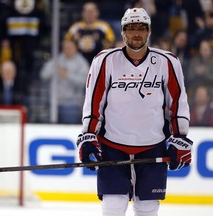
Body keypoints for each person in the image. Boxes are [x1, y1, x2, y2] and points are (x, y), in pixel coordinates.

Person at [76, 8, 193, 216]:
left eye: (141, 28)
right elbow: (94, 103)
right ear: (123, 32)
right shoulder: (105, 60)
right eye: (131, 28)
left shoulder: (168, 62)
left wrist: (180, 138)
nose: (136, 33)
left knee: (147, 210)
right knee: (113, 208)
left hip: (153, 148)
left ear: (149, 31)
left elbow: (178, 103)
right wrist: (88, 136)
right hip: (111, 147)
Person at [40, 40, 89, 124]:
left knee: (67, 128)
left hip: (71, 104)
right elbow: (43, 75)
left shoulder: (81, 63)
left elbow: (84, 82)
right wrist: (55, 70)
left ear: (76, 48)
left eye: (70, 48)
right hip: (54, 102)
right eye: (65, 48)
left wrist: (68, 75)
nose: (67, 50)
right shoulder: (57, 59)